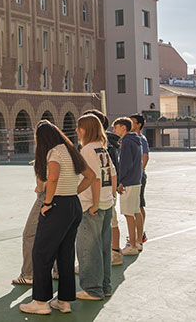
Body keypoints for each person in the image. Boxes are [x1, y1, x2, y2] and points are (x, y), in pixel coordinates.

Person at [19, 121, 94, 315]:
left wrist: (48, 203)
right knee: (65, 256)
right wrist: (73, 191)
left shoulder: (53, 153)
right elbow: (91, 176)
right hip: (73, 206)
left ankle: (41, 302)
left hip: (58, 206)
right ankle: (63, 301)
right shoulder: (70, 151)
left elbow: (52, 177)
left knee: (41, 253)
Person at [75, 114, 116, 300]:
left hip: (93, 206)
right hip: (107, 203)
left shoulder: (87, 150)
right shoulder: (103, 149)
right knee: (104, 248)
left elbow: (95, 178)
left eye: (80, 128)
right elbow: (112, 174)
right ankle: (105, 285)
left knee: (88, 248)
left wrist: (94, 203)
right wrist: (111, 195)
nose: (77, 131)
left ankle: (92, 289)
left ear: (87, 130)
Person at [82, 109, 124, 266]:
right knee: (109, 224)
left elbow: (99, 175)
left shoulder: (102, 146)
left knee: (109, 224)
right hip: (107, 193)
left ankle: (113, 253)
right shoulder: (104, 144)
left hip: (102, 194)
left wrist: (109, 195)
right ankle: (112, 253)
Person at [112, 118, 143, 255]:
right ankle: (137, 241)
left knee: (129, 214)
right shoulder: (136, 140)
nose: (114, 131)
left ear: (123, 128)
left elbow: (125, 164)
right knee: (135, 211)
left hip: (128, 183)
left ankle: (131, 245)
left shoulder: (126, 142)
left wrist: (120, 181)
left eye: (116, 128)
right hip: (136, 180)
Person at [130, 113, 150, 245]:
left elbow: (145, 157)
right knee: (135, 206)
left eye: (132, 122)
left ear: (139, 125)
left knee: (139, 205)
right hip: (133, 177)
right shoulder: (130, 138)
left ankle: (140, 234)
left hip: (138, 177)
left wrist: (139, 172)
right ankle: (138, 233)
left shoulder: (141, 139)